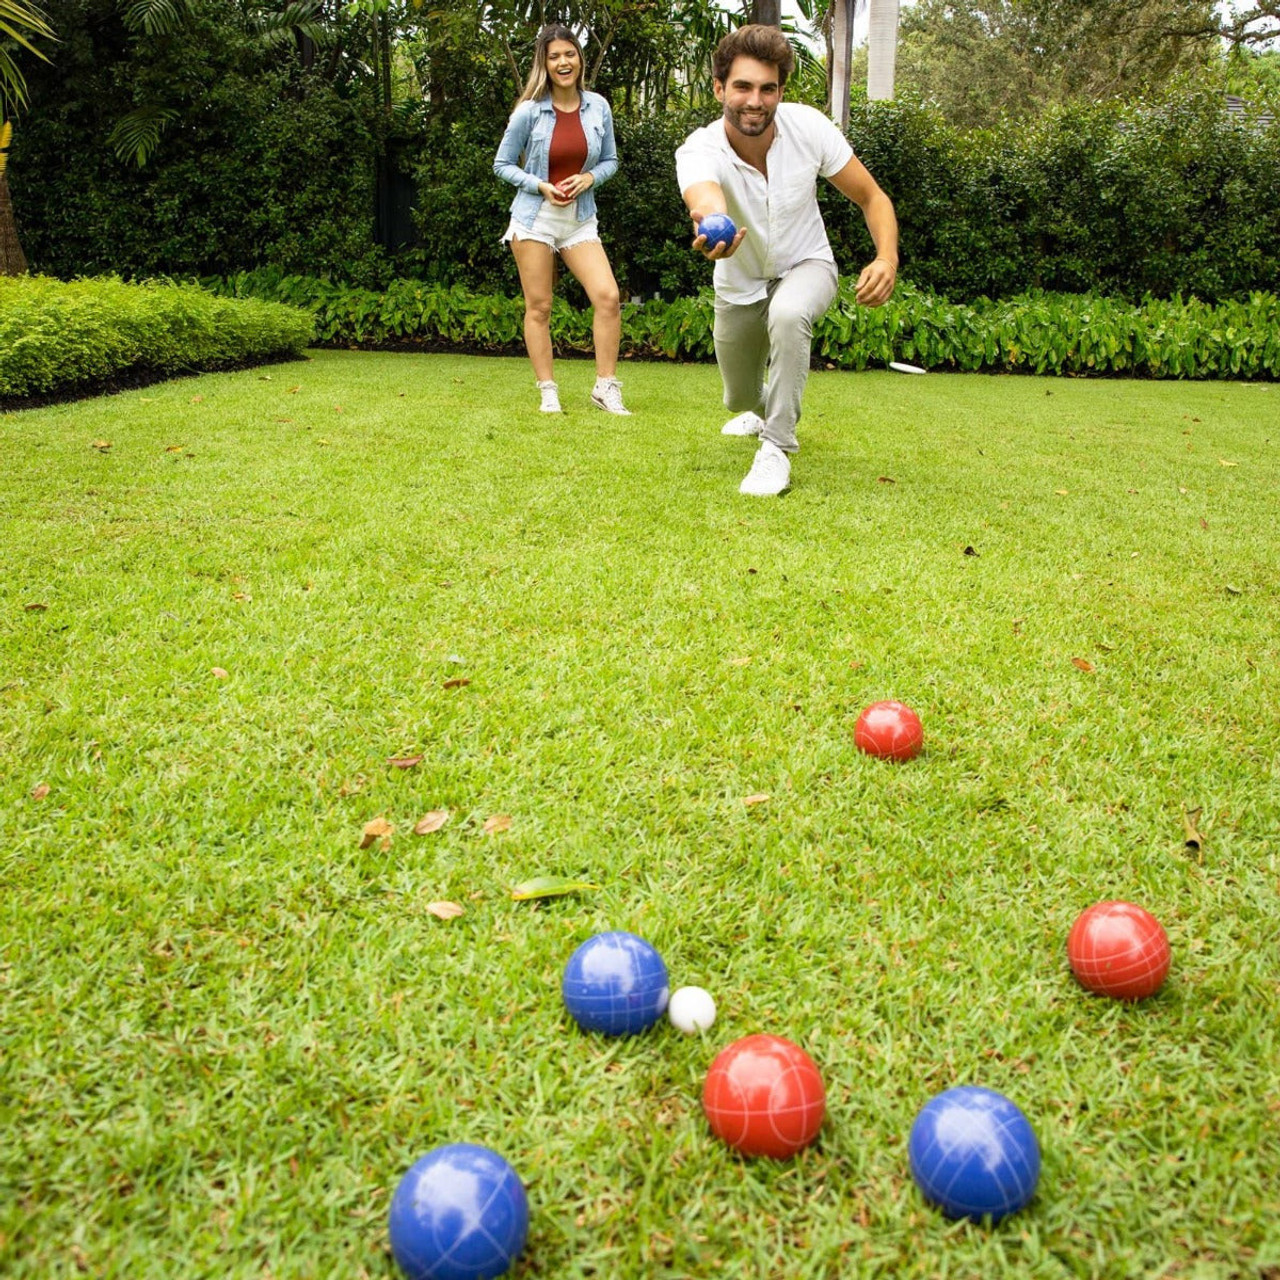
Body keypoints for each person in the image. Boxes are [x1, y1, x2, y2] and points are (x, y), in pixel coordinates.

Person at [675, 24, 899, 495]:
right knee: (737, 396)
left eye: (767, 88)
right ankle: (760, 415)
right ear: (719, 89)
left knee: (789, 313)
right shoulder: (699, 148)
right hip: (738, 279)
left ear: (780, 91)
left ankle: (776, 448)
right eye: (742, 87)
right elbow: (705, 198)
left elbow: (872, 197)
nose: (755, 100)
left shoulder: (810, 128)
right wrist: (713, 224)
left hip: (807, 264)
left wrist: (886, 258)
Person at [494, 24, 630, 416]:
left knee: (607, 296)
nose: (562, 62)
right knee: (540, 306)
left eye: (568, 54)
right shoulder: (529, 112)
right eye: (554, 56)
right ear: (545, 64)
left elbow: (610, 161)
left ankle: (605, 387)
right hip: (535, 219)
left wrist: (590, 177)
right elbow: (501, 164)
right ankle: (548, 390)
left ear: (579, 59)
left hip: (579, 219)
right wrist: (540, 185)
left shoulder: (598, 107)